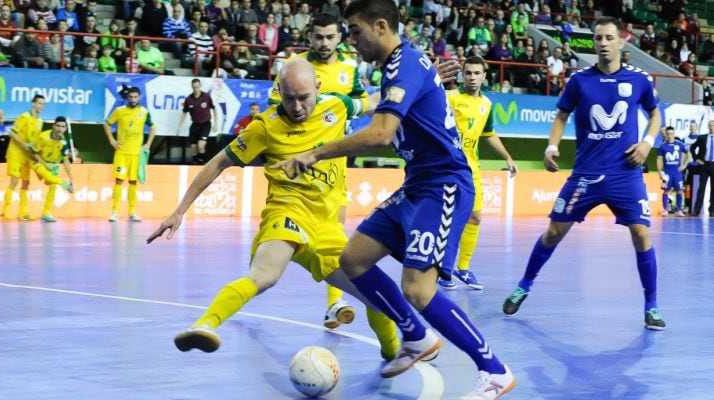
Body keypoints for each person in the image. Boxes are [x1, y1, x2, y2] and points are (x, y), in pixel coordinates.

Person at [273, 1, 516, 397]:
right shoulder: (398, 67)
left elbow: (382, 133)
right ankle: (416, 336)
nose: (351, 42)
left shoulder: (404, 63)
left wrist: (315, 152)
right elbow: (389, 106)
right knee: (353, 258)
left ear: (380, 25)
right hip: (417, 183)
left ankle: (494, 370)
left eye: (354, 32)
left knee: (418, 289)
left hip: (444, 184)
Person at [146, 59, 402, 365]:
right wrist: (179, 210)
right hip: (286, 214)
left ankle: (393, 352)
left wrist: (418, 87)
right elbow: (217, 163)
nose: (296, 106)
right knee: (264, 275)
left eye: (303, 98)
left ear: (318, 89)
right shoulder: (265, 126)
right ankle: (205, 325)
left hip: (327, 227)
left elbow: (375, 102)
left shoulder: (338, 106)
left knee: (372, 292)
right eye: (289, 97)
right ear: (278, 90)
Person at [501, 17, 666, 332]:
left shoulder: (641, 80)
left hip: (625, 174)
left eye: (608, 38)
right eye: (597, 38)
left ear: (621, 42)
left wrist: (647, 143)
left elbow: (656, 114)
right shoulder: (578, 81)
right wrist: (551, 147)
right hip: (586, 174)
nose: (602, 43)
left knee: (641, 233)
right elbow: (561, 116)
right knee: (553, 232)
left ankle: (652, 306)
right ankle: (524, 285)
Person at [268, 12, 369, 330]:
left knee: (335, 235)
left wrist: (346, 116)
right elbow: (275, 108)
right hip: (298, 167)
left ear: (340, 37)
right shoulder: (294, 68)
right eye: (317, 37)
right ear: (308, 37)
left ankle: (333, 304)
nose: (323, 43)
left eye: (329, 37)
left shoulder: (349, 70)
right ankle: (264, 268)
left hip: (334, 166)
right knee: (297, 238)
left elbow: (363, 101)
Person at [438, 56, 518, 291]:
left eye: (477, 73)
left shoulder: (487, 104)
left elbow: (489, 133)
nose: (472, 77)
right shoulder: (449, 98)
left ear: (484, 76)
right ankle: (444, 270)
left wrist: (507, 156)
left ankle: (462, 269)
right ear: (462, 74)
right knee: (449, 220)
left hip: (472, 169)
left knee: (475, 217)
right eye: (468, 73)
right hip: (448, 167)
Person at [103, 87, 156, 222]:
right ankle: (115, 212)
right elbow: (106, 124)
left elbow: (153, 127)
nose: (133, 99)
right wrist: (111, 140)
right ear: (127, 97)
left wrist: (148, 144)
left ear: (139, 97)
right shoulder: (119, 111)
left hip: (136, 154)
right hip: (122, 153)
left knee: (133, 182)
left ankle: (132, 212)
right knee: (119, 181)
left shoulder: (144, 112)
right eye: (131, 97)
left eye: (135, 97)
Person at [2, 95, 46, 221]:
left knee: (26, 183)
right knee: (14, 181)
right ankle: (5, 210)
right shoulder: (24, 116)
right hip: (16, 152)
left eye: (43, 104)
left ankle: (23, 212)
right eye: (39, 103)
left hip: (28, 155)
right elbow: (11, 133)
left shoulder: (40, 121)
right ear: (33, 104)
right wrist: (24, 145)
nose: (41, 106)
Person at [29, 116, 75, 222]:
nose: (60, 129)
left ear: (65, 129)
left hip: (51, 164)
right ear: (53, 126)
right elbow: (33, 152)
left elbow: (66, 160)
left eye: (63, 127)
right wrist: (45, 164)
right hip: (37, 161)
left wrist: (71, 177)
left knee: (53, 186)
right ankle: (63, 183)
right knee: (44, 172)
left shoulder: (64, 142)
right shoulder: (43, 137)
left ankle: (46, 213)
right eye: (58, 126)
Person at [175, 78, 218, 165]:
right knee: (193, 148)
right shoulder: (188, 99)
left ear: (200, 86)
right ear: (192, 87)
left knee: (201, 145)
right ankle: (195, 164)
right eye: (194, 87)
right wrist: (179, 127)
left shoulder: (206, 96)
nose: (196, 89)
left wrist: (216, 123)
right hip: (195, 125)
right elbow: (184, 113)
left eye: (197, 87)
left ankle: (203, 164)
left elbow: (214, 109)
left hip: (206, 124)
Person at [656, 126, 688, 217]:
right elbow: (658, 159)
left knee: (679, 191)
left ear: (674, 134)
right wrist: (659, 172)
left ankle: (679, 210)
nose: (670, 135)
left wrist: (684, 165)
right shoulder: (662, 146)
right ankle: (665, 210)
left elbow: (688, 154)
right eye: (668, 134)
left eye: (671, 133)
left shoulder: (680, 144)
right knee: (666, 191)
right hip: (667, 172)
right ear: (666, 135)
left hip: (677, 172)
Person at [689, 123, 714, 217]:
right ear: (708, 126)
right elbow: (692, 148)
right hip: (704, 165)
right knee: (701, 188)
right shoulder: (702, 137)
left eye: (713, 125)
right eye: (710, 125)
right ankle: (696, 210)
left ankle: (712, 210)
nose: (712, 127)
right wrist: (696, 159)